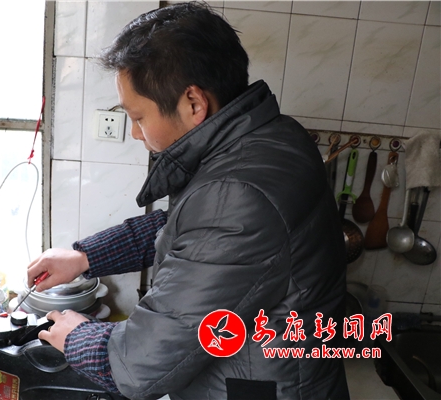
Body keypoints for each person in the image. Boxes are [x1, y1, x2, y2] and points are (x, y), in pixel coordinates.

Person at [27, 2, 349, 399]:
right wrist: (84, 257)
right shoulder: (269, 138)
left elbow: (139, 365)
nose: (135, 133)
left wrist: (76, 335)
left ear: (194, 103)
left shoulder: (238, 193)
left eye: (139, 117)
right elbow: (190, 228)